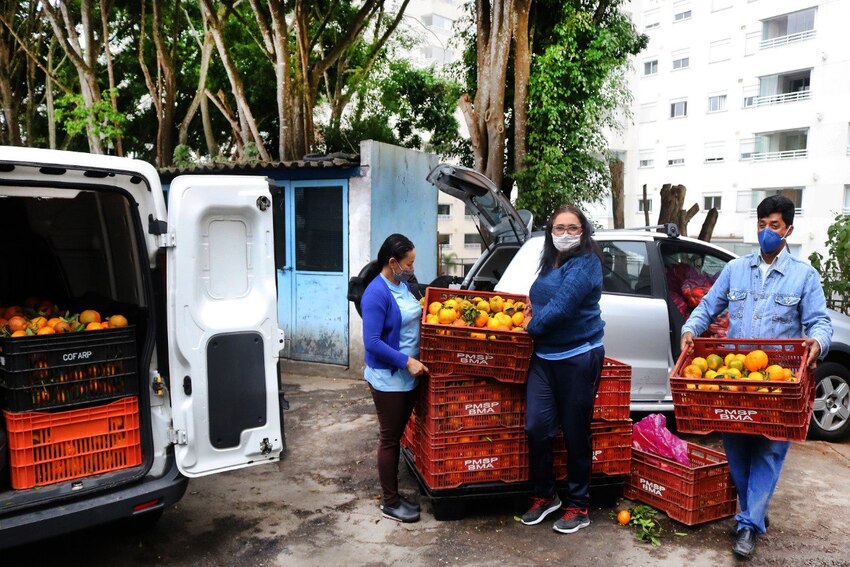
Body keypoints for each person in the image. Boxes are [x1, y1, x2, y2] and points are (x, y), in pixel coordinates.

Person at [680, 195, 832, 559]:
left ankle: (747, 524)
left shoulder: (804, 276)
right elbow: (707, 307)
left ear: (789, 230)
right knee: (736, 447)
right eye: (761, 224)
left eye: (774, 226)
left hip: (778, 382)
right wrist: (690, 329)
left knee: (768, 450)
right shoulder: (736, 270)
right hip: (736, 379)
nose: (766, 231)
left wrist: (818, 342)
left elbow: (820, 322)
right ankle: (756, 511)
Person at [519, 204, 606, 534]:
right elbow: (543, 296)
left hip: (578, 357)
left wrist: (530, 323)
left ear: (583, 231)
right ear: (550, 231)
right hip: (545, 358)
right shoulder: (550, 259)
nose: (566, 234)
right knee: (536, 427)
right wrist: (531, 304)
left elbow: (561, 309)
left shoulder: (586, 263)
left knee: (575, 432)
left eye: (573, 228)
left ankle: (578, 504)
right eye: (560, 228)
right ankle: (545, 495)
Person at [360, 233, 429, 523]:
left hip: (408, 374)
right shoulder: (375, 294)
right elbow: (372, 342)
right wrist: (406, 361)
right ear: (392, 262)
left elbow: (410, 317)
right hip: (389, 377)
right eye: (409, 263)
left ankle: (395, 497)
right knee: (390, 438)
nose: (412, 268)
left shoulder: (402, 284)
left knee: (398, 435)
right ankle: (389, 502)